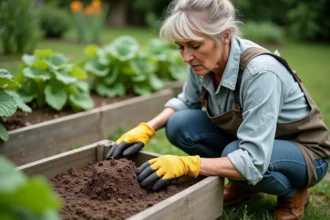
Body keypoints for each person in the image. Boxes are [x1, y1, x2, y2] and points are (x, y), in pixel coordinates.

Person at [106, 0, 330, 219]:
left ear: (225, 35)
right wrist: (147, 128)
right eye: (181, 47)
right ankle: (245, 186)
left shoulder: (260, 73)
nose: (186, 57)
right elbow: (186, 102)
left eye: (195, 46)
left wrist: (187, 165)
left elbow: (252, 159)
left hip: (304, 152)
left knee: (236, 154)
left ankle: (292, 192)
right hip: (253, 142)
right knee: (179, 125)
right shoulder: (203, 63)